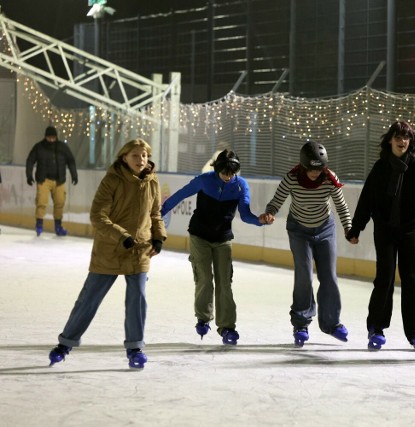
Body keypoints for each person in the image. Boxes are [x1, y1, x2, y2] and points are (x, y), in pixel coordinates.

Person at [48, 138, 166, 369]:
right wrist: (122, 236)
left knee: (137, 299)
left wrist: (158, 237)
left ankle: (135, 348)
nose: (141, 159)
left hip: (139, 249)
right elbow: (98, 216)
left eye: (144, 155)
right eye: (135, 155)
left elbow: (155, 214)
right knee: (89, 299)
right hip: (110, 249)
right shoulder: (112, 180)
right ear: (124, 157)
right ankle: (65, 343)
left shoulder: (152, 181)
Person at [345, 121, 415, 351]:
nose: (402, 141)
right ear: (390, 139)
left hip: (410, 229)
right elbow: (366, 201)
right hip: (385, 230)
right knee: (384, 278)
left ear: (410, 142)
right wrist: (356, 228)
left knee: (413, 278)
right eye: (398, 137)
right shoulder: (380, 168)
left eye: (407, 138)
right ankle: (376, 328)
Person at [161, 149, 265, 345]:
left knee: (225, 282)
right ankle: (203, 317)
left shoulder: (241, 186)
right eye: (224, 172)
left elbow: (245, 214)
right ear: (217, 169)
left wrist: (260, 220)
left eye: (231, 173)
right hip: (199, 235)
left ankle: (227, 326)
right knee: (205, 279)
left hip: (223, 238)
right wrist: (160, 212)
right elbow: (179, 196)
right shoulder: (205, 180)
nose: (227, 177)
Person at [260, 141, 352, 347]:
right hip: (299, 230)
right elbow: (276, 201)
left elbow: (341, 206)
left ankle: (331, 323)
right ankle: (301, 323)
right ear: (303, 166)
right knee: (304, 273)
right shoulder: (292, 178)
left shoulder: (329, 179)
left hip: (325, 229)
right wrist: (270, 213)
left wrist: (348, 228)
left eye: (318, 169)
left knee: (329, 275)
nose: (314, 173)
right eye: (310, 169)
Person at [26, 126, 78, 236]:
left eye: (53, 137)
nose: (51, 140)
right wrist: (29, 175)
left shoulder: (62, 147)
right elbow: (30, 160)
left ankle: (58, 227)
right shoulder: (39, 147)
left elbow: (71, 161)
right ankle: (39, 224)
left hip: (59, 180)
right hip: (43, 180)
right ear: (45, 137)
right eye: (49, 137)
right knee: (41, 202)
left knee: (59, 203)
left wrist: (74, 175)